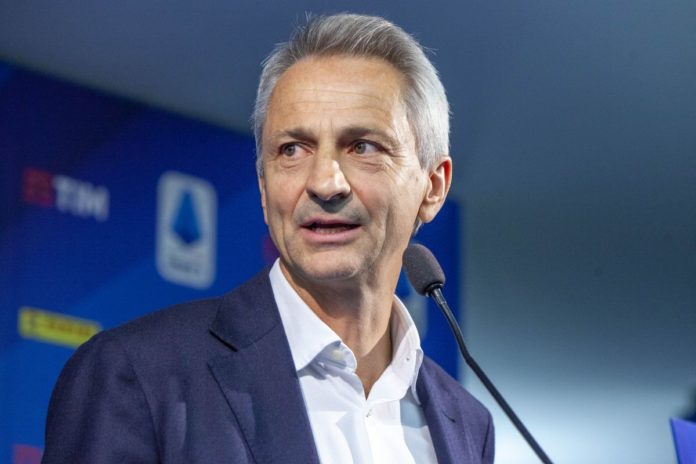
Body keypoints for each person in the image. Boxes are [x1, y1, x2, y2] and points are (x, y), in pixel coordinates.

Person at [43, 13, 494, 463]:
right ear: (263, 188)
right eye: (292, 150)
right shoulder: (136, 375)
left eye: (363, 147)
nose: (325, 183)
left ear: (433, 186)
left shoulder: (469, 426)